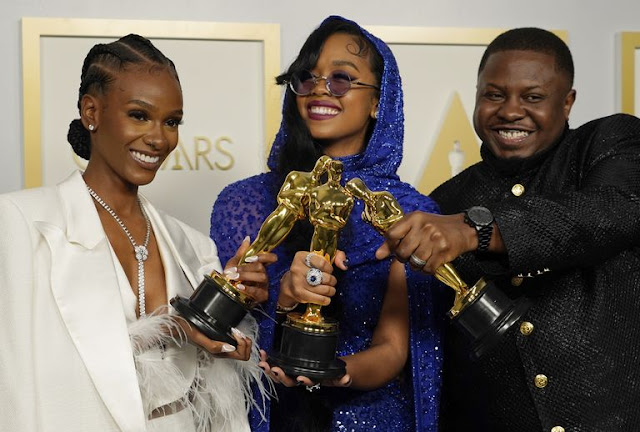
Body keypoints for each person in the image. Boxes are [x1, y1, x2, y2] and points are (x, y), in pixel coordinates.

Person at [0, 34, 276, 432]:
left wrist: (228, 299)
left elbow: (212, 394)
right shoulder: (22, 223)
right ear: (91, 111)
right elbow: (12, 380)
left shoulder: (193, 247)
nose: (159, 138)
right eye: (139, 115)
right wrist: (174, 328)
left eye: (172, 122)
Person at [376, 27, 640, 431]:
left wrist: (475, 230)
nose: (510, 111)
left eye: (532, 97)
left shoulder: (607, 143)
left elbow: (609, 211)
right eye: (494, 95)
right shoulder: (445, 199)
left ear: (567, 101)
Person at [211, 16, 442, 432]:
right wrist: (276, 304)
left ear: (379, 101)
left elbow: (394, 348)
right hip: (269, 415)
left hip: (373, 419)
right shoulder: (243, 203)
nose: (320, 88)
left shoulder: (411, 212)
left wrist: (334, 371)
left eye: (341, 79)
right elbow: (222, 342)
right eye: (308, 77)